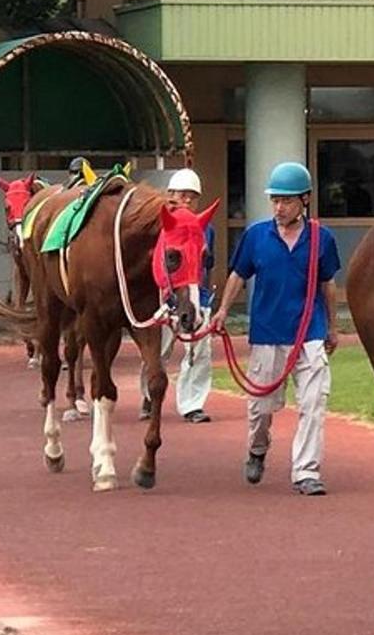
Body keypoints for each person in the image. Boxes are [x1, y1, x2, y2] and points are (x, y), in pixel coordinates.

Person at [209, 161, 341, 496]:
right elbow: (239, 274)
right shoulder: (256, 236)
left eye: (287, 200)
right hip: (267, 332)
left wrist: (333, 327)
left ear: (305, 200)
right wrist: (223, 309)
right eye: (275, 200)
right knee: (261, 408)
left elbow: (328, 283)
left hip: (309, 333)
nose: (279, 207)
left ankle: (306, 472)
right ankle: (257, 448)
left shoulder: (321, 239)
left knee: (314, 403)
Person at [139, 168, 216, 423]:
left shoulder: (206, 228)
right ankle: (149, 395)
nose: (185, 201)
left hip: (196, 297)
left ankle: (192, 405)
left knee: (200, 352)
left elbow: (207, 265)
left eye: (190, 197)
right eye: (179, 195)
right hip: (164, 300)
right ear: (169, 195)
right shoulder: (156, 227)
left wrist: (205, 302)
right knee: (157, 351)